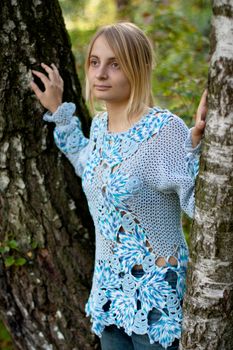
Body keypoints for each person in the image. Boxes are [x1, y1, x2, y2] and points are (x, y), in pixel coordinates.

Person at [30, 22, 207, 350]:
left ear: (138, 68)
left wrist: (196, 149)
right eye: (95, 62)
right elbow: (88, 166)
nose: (100, 73)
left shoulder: (164, 130)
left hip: (157, 302)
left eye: (115, 64)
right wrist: (60, 113)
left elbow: (200, 205)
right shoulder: (100, 126)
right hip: (111, 297)